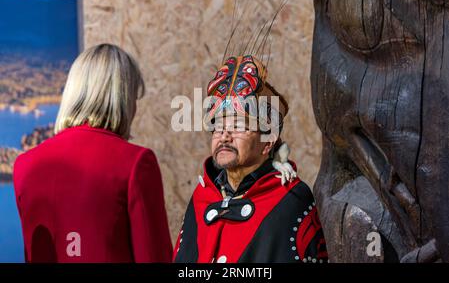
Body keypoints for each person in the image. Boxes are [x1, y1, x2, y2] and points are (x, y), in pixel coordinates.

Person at [13, 44, 172, 263]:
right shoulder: (136, 163)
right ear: (122, 99)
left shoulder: (24, 165)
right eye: (133, 96)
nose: (135, 108)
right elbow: (154, 256)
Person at [173, 55, 328, 263]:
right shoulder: (202, 198)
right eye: (218, 128)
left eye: (237, 126)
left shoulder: (291, 200)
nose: (224, 136)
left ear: (268, 141)